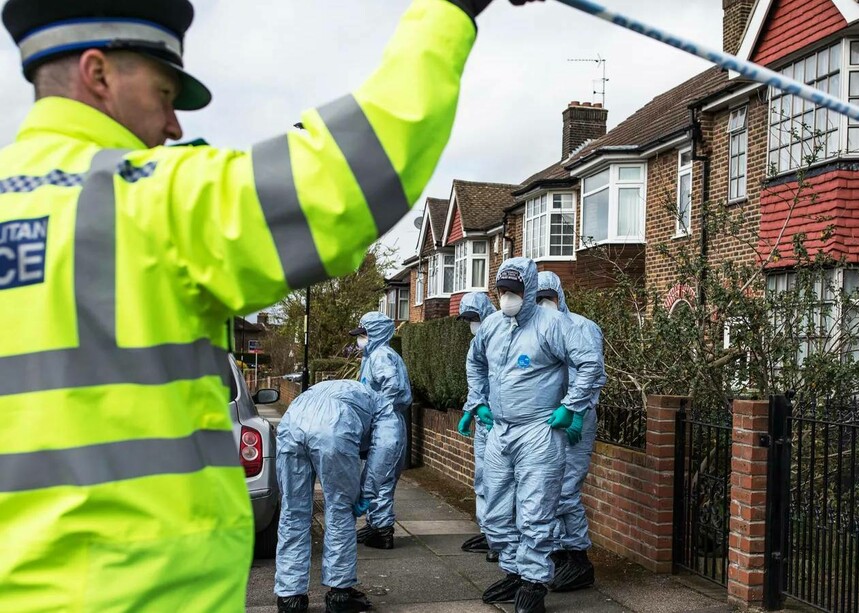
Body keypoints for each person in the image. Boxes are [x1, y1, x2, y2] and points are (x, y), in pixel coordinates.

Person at [0, 0, 537, 608]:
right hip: (137, 592)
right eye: (165, 93)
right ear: (98, 74)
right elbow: (340, 182)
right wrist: (450, 12)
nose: (174, 125)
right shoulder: (148, 201)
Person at [466, 258, 604, 613]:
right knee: (495, 511)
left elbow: (589, 364)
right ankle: (513, 569)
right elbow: (475, 361)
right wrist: (477, 401)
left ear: (527, 291)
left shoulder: (554, 324)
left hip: (539, 430)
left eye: (514, 290)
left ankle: (533, 581)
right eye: (502, 290)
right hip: (501, 428)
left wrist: (572, 406)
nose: (507, 297)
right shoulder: (494, 326)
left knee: (535, 511)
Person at [275, 380, 379, 613]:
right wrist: (367, 492)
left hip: (292, 420)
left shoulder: (339, 388)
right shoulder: (383, 407)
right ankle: (340, 594)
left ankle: (290, 598)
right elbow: (386, 449)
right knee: (340, 509)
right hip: (334, 426)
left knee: (293, 511)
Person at [536, 271, 606, 592]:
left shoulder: (582, 327)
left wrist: (577, 412)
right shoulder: (535, 328)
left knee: (565, 490)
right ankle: (562, 553)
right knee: (548, 489)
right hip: (550, 420)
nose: (542, 304)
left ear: (559, 295)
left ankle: (578, 559)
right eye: (537, 299)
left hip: (576, 418)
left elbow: (592, 373)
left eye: (547, 297)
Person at [353, 311, 412, 549]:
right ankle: (376, 524)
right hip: (382, 424)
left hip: (386, 426)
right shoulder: (373, 357)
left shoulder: (381, 356)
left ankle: (383, 531)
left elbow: (393, 387)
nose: (360, 339)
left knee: (381, 479)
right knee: (375, 477)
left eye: (363, 334)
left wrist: (377, 411)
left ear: (376, 333)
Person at [456, 291, 499, 560]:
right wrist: (471, 410)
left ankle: (503, 535)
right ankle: (489, 530)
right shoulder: (477, 345)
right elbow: (476, 381)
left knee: (502, 482)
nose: (472, 323)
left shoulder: (503, 336)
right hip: (485, 422)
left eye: (475, 317)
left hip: (505, 423)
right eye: (468, 319)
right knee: (482, 479)